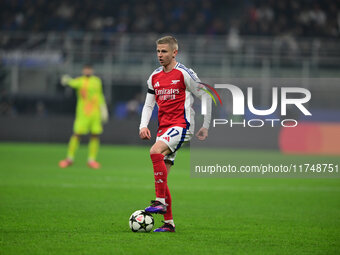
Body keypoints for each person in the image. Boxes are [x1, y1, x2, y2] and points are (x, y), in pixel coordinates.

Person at [139, 36, 212, 232]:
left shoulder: (183, 73)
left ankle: (160, 202)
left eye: (164, 51)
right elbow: (148, 104)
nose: (160, 55)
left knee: (154, 152)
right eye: (158, 51)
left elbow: (206, 95)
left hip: (183, 125)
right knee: (163, 179)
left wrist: (205, 125)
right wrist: (143, 125)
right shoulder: (154, 76)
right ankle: (169, 223)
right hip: (164, 129)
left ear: (174, 52)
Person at [59, 64, 108, 169]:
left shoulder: (97, 81)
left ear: (92, 70)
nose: (88, 71)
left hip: (95, 114)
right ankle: (69, 158)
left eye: (89, 69)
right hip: (83, 114)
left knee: (95, 135)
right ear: (83, 70)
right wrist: (66, 80)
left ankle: (92, 160)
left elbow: (100, 95)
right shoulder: (80, 81)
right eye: (86, 69)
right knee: (77, 134)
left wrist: (103, 108)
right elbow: (71, 82)